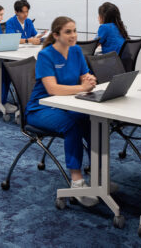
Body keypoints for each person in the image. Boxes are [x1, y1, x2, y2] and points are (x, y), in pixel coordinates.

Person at [25, 16, 98, 207]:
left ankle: (99, 177)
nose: (73, 35)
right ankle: (76, 180)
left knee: (92, 121)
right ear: (56, 35)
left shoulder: (76, 51)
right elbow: (52, 89)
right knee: (72, 125)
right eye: (68, 32)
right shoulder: (46, 55)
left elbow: (84, 75)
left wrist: (89, 80)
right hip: (40, 108)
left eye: (74, 31)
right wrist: (83, 88)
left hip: (67, 104)